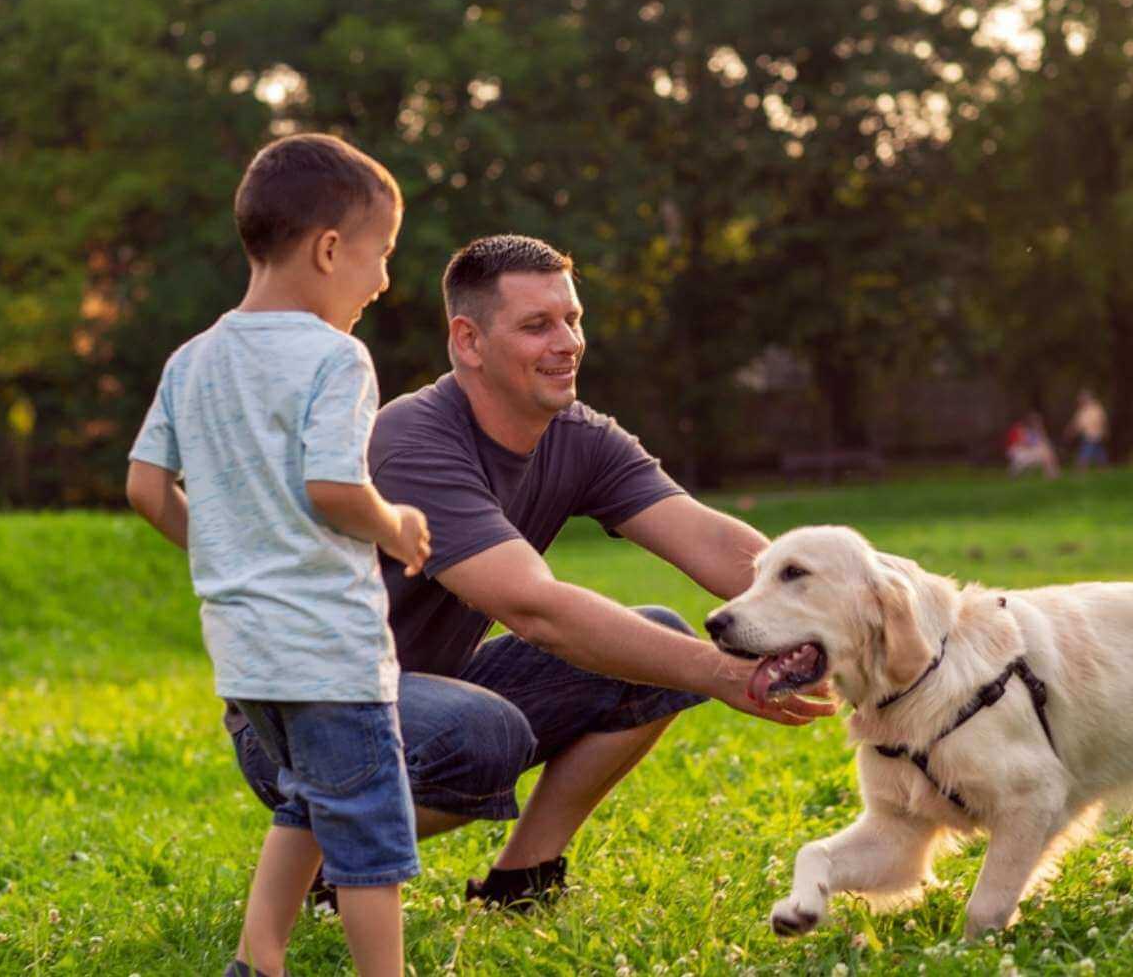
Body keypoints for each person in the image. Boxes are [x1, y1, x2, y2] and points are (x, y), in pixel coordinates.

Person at [228, 233, 832, 913]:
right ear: (469, 341)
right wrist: (724, 672)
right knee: (482, 733)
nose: (568, 341)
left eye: (572, 319)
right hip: (298, 720)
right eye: (537, 325)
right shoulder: (412, 440)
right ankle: (325, 854)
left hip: (419, 691)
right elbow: (532, 608)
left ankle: (521, 880)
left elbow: (712, 540)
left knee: (651, 643)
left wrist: (836, 612)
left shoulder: (580, 436)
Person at [126, 133, 431, 977]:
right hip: (327, 648)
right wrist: (397, 523)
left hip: (246, 653)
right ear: (330, 249)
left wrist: (226, 545)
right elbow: (335, 489)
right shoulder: (337, 357)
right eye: (382, 256)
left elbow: (146, 491)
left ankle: (258, 961)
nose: (383, 281)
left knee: (307, 799)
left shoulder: (192, 361)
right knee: (368, 827)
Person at [1004, 411, 1059, 478]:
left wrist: (1041, 431)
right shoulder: (1022, 430)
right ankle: (1051, 474)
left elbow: (1042, 441)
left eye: (1039, 422)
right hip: (1021, 451)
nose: (1038, 423)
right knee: (1045, 451)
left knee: (1046, 450)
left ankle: (1051, 473)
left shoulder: (1033, 431)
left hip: (1030, 450)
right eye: (1036, 421)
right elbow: (1023, 442)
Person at [1066, 389, 1109, 470]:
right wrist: (1071, 432)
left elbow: (1103, 420)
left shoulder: (1096, 408)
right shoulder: (1082, 410)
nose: (1080, 401)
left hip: (1094, 435)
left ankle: (1081, 469)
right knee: (1099, 452)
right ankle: (1103, 468)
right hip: (1088, 435)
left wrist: (1105, 431)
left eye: (1082, 399)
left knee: (1085, 453)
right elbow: (1077, 423)